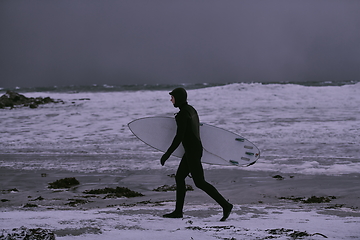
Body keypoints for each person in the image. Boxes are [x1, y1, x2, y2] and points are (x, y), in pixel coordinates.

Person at [160, 87, 233, 221]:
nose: (171, 100)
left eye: (172, 97)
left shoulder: (182, 115)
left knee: (200, 182)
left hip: (192, 152)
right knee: (179, 178)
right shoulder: (191, 110)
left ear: (179, 98)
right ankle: (178, 211)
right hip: (193, 150)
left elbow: (179, 137)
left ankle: (226, 205)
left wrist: (167, 154)